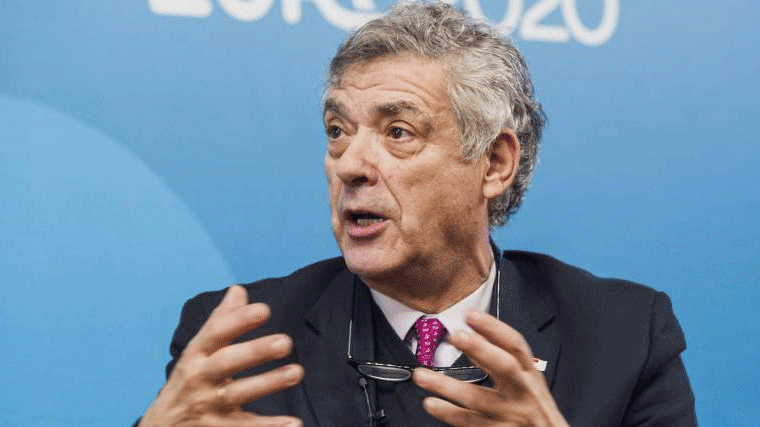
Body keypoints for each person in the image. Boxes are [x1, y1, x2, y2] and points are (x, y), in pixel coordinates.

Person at [136, 2, 697, 426]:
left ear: (494, 163)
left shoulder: (624, 338)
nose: (350, 164)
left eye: (398, 132)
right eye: (338, 131)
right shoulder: (237, 348)